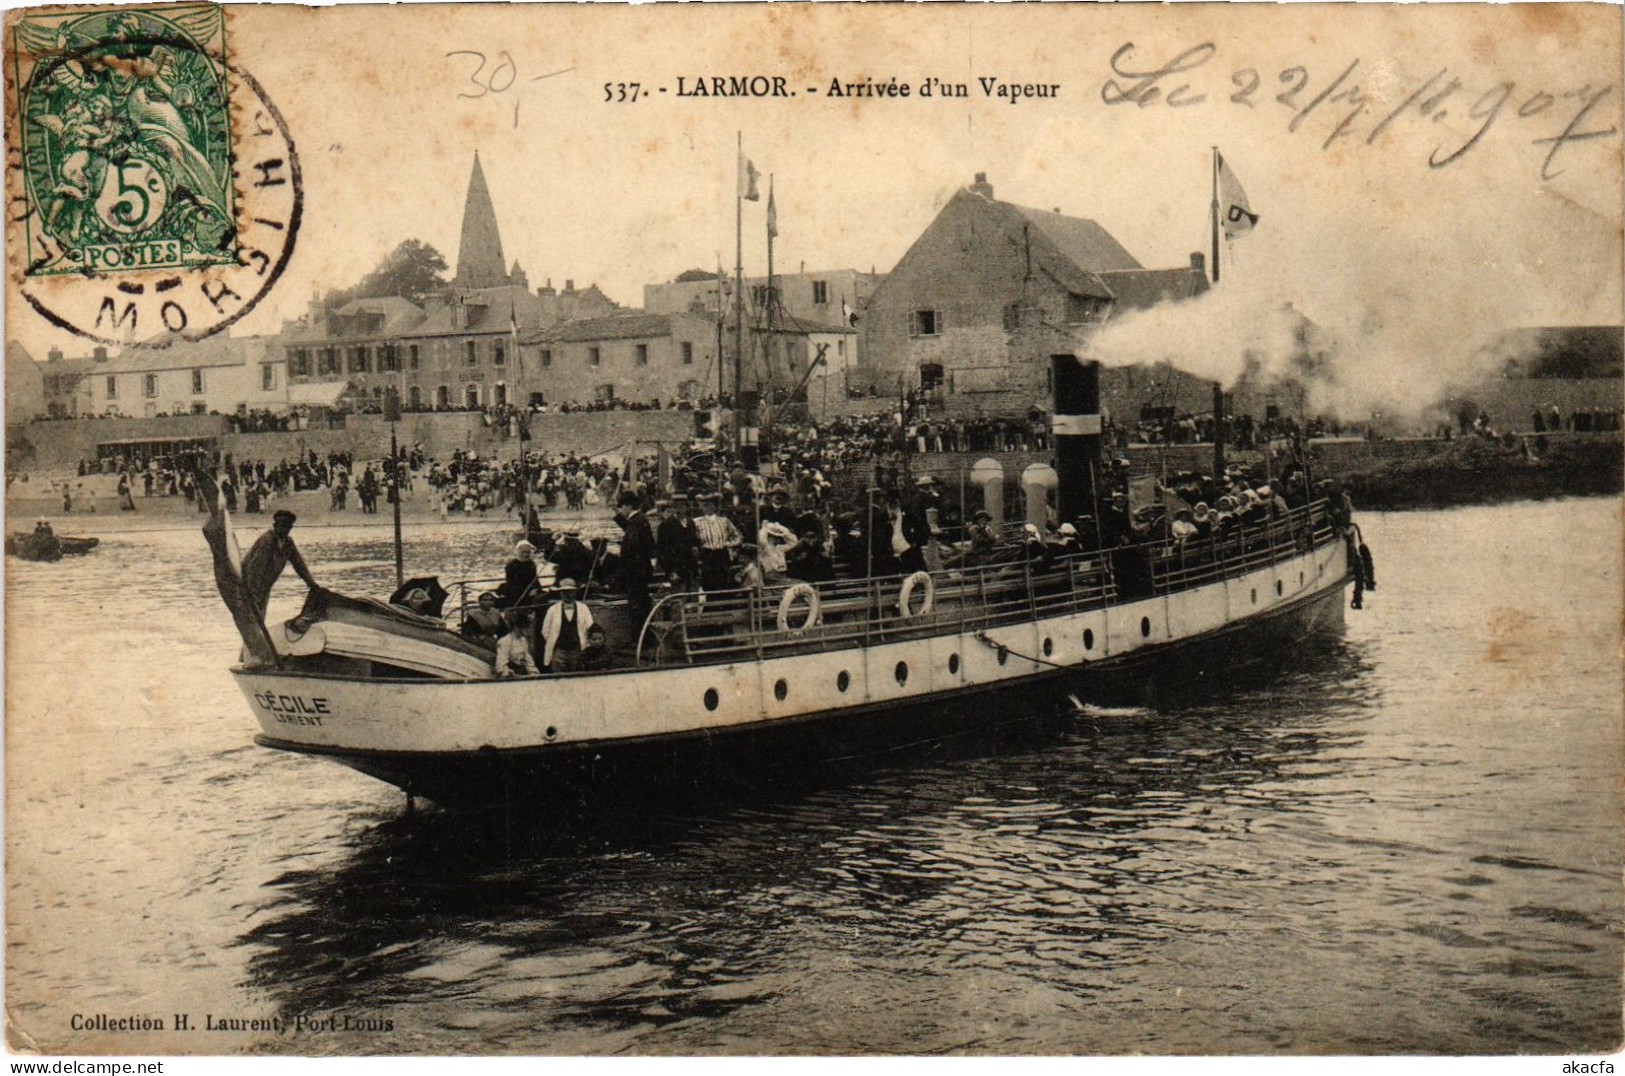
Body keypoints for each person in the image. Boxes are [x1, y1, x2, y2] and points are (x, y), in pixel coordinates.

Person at [242, 509, 318, 617]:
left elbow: (299, 564)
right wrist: (252, 596)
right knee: (251, 619)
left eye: (289, 527)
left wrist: (312, 584)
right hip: (247, 587)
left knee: (258, 620)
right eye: (283, 526)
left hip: (264, 587)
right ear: (275, 525)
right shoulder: (267, 541)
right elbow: (255, 570)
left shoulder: (288, 542)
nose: (285, 530)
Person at [614, 491, 657, 622]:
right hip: (642, 570)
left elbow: (633, 544)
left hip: (634, 572)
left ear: (628, 506)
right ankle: (645, 636)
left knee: (636, 606)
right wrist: (617, 515)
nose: (621, 510)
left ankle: (638, 638)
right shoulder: (640, 519)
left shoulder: (635, 522)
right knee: (643, 602)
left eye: (622, 507)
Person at [540, 578, 594, 672]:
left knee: (578, 677)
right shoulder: (553, 610)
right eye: (564, 592)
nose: (568, 594)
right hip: (559, 652)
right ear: (560, 593)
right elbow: (545, 630)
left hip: (577, 650)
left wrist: (585, 644)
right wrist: (554, 640)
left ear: (575, 592)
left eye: (570, 591)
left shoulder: (583, 608)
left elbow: (590, 627)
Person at [693, 492, 742, 591]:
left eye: (710, 505)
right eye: (705, 505)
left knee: (722, 582)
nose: (708, 508)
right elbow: (694, 540)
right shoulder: (696, 522)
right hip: (706, 555)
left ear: (715, 506)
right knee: (708, 583)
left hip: (721, 554)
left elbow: (738, 537)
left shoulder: (724, 521)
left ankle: (721, 604)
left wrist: (727, 544)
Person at [657, 493, 698, 589]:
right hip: (676, 570)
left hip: (691, 569)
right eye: (676, 507)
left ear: (686, 507)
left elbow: (695, 543)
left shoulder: (691, 523)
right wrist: (670, 571)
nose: (679, 509)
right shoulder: (665, 525)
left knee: (693, 599)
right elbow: (662, 551)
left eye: (682, 506)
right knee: (678, 599)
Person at [493, 610, 540, 677]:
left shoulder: (523, 640)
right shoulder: (505, 641)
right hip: (511, 674)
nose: (527, 631)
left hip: (523, 672)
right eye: (525, 628)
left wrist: (533, 671)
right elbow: (501, 664)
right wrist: (508, 673)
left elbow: (528, 659)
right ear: (516, 628)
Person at [497, 541, 540, 610]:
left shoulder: (531, 564)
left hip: (530, 592)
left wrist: (536, 589)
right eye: (523, 552)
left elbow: (534, 579)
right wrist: (528, 592)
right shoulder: (511, 565)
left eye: (528, 552)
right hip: (516, 593)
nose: (525, 555)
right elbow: (512, 583)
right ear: (518, 552)